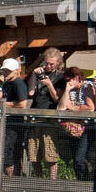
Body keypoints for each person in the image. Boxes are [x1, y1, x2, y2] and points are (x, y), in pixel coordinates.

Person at [26, 48, 66, 178]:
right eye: (46, 63)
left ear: (58, 63)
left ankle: (52, 181)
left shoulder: (60, 77)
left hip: (50, 119)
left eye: (51, 64)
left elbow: (57, 99)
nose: (48, 66)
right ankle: (38, 179)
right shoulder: (38, 74)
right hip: (35, 118)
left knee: (50, 153)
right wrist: (33, 74)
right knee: (33, 152)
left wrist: (49, 84)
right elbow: (30, 93)